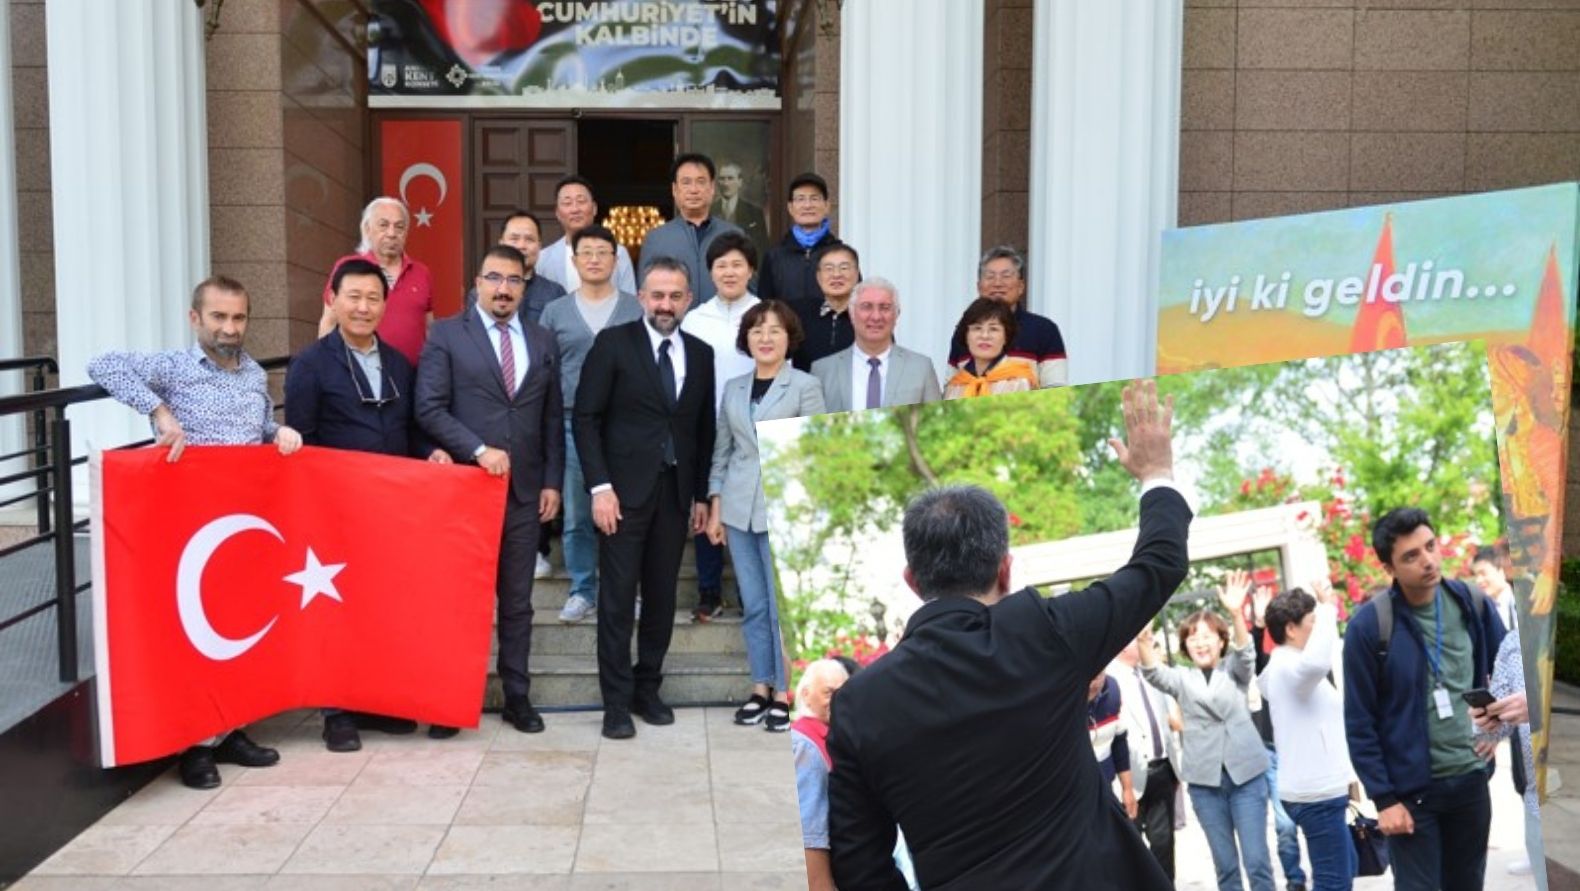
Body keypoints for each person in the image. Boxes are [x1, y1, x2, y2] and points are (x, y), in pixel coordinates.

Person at [827, 380, 1191, 890]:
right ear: (1005, 569)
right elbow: (1159, 564)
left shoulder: (858, 703)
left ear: (912, 582)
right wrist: (1156, 475)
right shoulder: (1045, 633)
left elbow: (858, 864)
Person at [87, 274, 303, 789]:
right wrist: (159, 412)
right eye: (219, 317)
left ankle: (231, 731)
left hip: (247, 523)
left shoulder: (253, 374)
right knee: (195, 633)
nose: (230, 328)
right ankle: (195, 745)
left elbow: (256, 427)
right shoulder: (174, 367)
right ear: (195, 319)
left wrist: (280, 431)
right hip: (190, 528)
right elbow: (102, 364)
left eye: (238, 318)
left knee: (241, 628)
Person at [285, 258, 455, 747]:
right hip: (334, 511)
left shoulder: (400, 363)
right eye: (353, 297)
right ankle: (336, 712)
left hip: (392, 512)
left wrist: (433, 452)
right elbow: (305, 443)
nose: (363, 307)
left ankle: (374, 702)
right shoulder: (309, 365)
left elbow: (411, 433)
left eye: (373, 298)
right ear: (332, 300)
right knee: (336, 610)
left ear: (385, 305)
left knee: (381, 607)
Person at [415, 244, 565, 735]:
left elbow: (549, 417)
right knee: (463, 601)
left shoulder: (542, 340)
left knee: (518, 601)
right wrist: (478, 449)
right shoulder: (446, 336)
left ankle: (517, 697)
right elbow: (429, 408)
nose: (503, 289)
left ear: (526, 285)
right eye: (494, 278)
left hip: (524, 494)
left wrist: (551, 482)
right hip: (466, 490)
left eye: (513, 280)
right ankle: (453, 700)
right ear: (476, 282)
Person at [574, 258, 716, 740]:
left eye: (675, 296)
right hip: (621, 495)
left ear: (688, 300)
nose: (666, 305)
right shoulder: (613, 344)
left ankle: (646, 689)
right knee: (615, 601)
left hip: (676, 496)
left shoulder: (701, 354)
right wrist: (600, 488)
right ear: (642, 297)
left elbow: (702, 428)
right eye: (657, 295)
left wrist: (700, 495)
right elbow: (586, 419)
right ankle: (615, 703)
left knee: (661, 598)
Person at [1341, 507, 1506, 891]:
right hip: (1411, 796)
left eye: (1430, 546)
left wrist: (1500, 730)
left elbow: (1510, 671)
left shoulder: (1472, 602)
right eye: (1411, 556)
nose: (1428, 561)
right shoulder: (1369, 627)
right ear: (1389, 568)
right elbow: (1359, 722)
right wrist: (1384, 800)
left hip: (1470, 780)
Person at [707, 300, 825, 731]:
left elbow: (814, 452)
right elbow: (723, 450)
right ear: (747, 339)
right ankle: (760, 685)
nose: (766, 338)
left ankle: (784, 692)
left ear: (789, 337)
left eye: (774, 330)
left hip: (787, 506)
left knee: (782, 608)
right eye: (757, 330)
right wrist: (716, 504)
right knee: (754, 605)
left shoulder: (804, 386)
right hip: (739, 508)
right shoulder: (734, 388)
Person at [1139, 570, 1275, 891]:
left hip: (1247, 777)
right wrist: (1143, 640)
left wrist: (1235, 612)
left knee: (1256, 862)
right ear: (1185, 644)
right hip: (1206, 782)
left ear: (1221, 640)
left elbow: (1246, 653)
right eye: (1193, 636)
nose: (1201, 642)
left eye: (1208, 635)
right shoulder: (1182, 679)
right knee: (1226, 866)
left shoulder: (1235, 671)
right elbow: (1153, 672)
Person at [538, 225, 644, 624]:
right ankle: (583, 589)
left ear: (616, 261)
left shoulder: (636, 307)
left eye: (603, 252)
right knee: (580, 513)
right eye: (587, 253)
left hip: (627, 424)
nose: (595, 259)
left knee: (627, 513)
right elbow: (546, 371)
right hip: (570, 422)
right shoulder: (556, 312)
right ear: (575, 260)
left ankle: (625, 590)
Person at [462, 209, 566, 580]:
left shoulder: (552, 296)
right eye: (515, 238)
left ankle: (538, 548)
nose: (504, 289)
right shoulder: (469, 311)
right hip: (486, 422)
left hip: (533, 403)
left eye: (530, 239)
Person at [681, 231, 762, 622]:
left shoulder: (766, 315)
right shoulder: (695, 319)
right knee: (704, 506)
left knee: (750, 508)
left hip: (753, 428)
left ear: (750, 270)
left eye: (737, 264)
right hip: (706, 426)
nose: (729, 272)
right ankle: (709, 590)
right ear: (710, 273)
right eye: (721, 265)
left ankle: (753, 593)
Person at [1259, 579, 1358, 891]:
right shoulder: (1290, 668)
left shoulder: (1287, 666)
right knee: (1334, 883)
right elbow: (1317, 661)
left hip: (1317, 790)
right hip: (1316, 794)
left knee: (1345, 870)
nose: (1318, 627)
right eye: (1311, 622)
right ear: (1291, 629)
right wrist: (1328, 609)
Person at [1471, 625, 1545, 887]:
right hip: (1539, 799)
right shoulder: (1513, 641)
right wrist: (1487, 723)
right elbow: (1502, 712)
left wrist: (1541, 704)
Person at [319, 197, 434, 365]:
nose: (392, 233)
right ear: (367, 229)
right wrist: (325, 367)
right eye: (383, 225)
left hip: (414, 379)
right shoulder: (348, 267)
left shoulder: (422, 273)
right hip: (359, 375)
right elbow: (329, 321)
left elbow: (429, 328)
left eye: (399, 227)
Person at [1110, 629, 1184, 880]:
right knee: (1132, 852)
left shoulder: (1153, 675)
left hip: (1162, 770)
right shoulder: (1108, 681)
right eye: (1138, 637)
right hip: (1128, 778)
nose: (1146, 641)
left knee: (1164, 846)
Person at [811, 278, 940, 413]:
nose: (876, 316)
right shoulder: (823, 370)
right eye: (867, 307)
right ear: (852, 313)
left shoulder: (921, 368)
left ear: (896, 315)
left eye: (885, 308)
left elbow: (938, 424)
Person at [946, 245, 1068, 387]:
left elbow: (1055, 388)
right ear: (979, 287)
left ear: (1021, 286)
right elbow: (951, 385)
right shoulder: (965, 329)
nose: (997, 283)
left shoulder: (1044, 329)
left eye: (1006, 276)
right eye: (990, 276)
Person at [639, 152, 744, 305]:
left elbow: (748, 288)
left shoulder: (734, 235)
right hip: (673, 326)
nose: (693, 190)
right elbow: (645, 293)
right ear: (675, 190)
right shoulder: (656, 238)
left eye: (701, 182)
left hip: (724, 325)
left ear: (712, 188)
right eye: (686, 182)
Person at [791, 658, 850, 891]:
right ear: (806, 695)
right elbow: (809, 835)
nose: (837, 700)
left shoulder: (834, 738)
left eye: (842, 693)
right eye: (828, 692)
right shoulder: (805, 745)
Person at [536, 175, 638, 294]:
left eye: (581, 201)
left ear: (594, 208)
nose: (575, 209)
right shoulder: (543, 259)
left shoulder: (619, 252)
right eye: (567, 203)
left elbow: (630, 301)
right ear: (557, 213)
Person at [463, 209, 566, 324]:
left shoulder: (555, 293)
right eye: (514, 239)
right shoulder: (480, 292)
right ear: (501, 243)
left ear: (539, 246)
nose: (521, 246)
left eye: (529, 239)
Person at [758, 171, 842, 305]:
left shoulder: (841, 254)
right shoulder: (775, 257)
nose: (807, 205)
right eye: (800, 199)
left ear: (827, 206)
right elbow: (766, 307)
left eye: (814, 198)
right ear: (790, 208)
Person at [942, 297, 1040, 399]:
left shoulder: (1020, 381)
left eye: (993, 329)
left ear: (1006, 336)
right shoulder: (955, 385)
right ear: (966, 335)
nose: (984, 336)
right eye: (977, 328)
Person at [790, 242, 859, 371]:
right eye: (829, 268)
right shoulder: (797, 315)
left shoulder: (869, 316)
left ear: (856, 274)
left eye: (844, 268)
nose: (836, 274)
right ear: (818, 277)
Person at [1087, 671, 1138, 818]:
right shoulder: (1060, 694)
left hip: (1105, 786)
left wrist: (1127, 788)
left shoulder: (1112, 689)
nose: (1094, 684)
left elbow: (1119, 741)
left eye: (1098, 675)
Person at [711, 159, 768, 258]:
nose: (726, 183)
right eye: (722, 179)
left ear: (740, 182)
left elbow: (761, 248)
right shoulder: (709, 211)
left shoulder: (754, 213)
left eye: (730, 178)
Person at [1470, 543, 1518, 635]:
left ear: (1501, 570)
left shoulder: (1524, 597)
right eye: (1476, 576)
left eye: (1483, 573)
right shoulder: (1481, 611)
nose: (1478, 581)